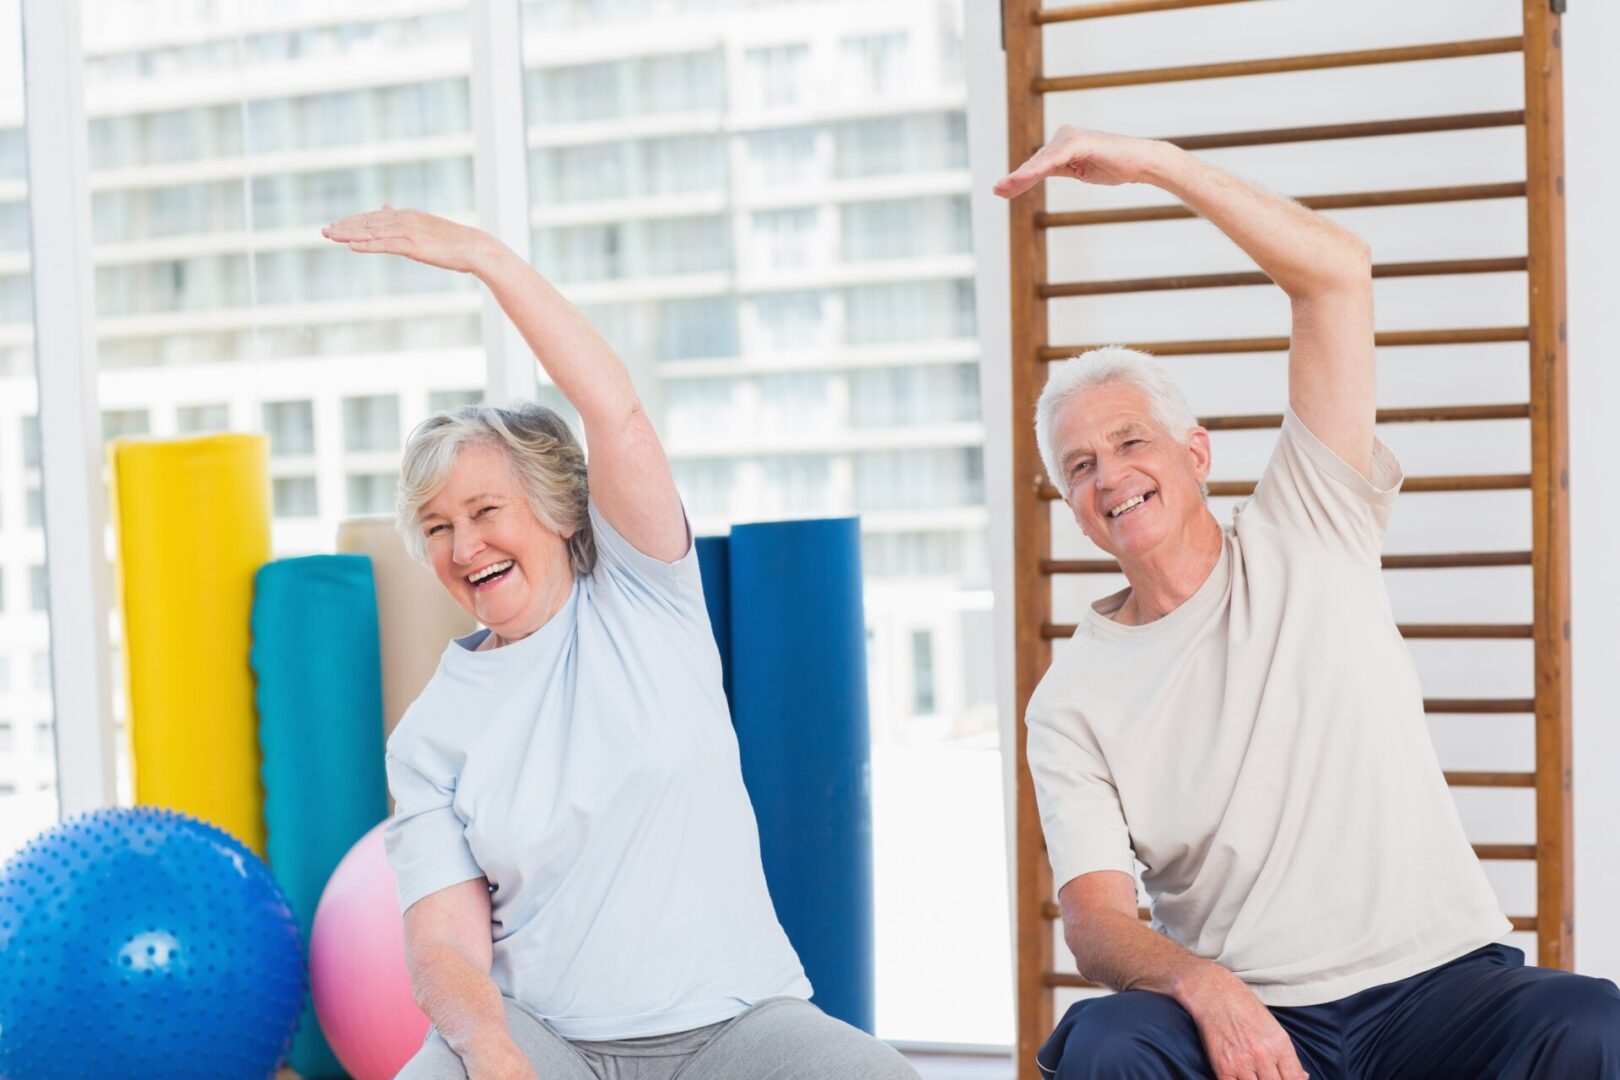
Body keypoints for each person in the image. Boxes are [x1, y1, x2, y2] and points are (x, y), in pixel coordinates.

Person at [994, 129, 1620, 1079]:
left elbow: (1335, 275)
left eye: (1130, 443)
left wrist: (1153, 164)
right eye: (1080, 467)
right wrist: (1204, 985)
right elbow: (1095, 921)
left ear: (1195, 455)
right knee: (1105, 1044)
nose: (1110, 476)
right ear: (1072, 507)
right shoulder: (1071, 699)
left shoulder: (1309, 526)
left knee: (1591, 1022)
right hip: (1255, 1017)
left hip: (1438, 985)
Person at [320, 208, 917, 1080]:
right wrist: (490, 1050)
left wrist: (487, 261)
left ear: (560, 511)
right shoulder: (430, 732)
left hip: (734, 1027)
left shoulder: (645, 595)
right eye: (439, 528)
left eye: (486, 512)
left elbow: (613, 405)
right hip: (551, 1041)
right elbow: (442, 946)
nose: (464, 546)